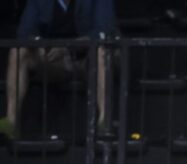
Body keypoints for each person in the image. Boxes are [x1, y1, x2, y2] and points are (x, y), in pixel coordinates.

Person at [0, 0, 116, 139]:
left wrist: (66, 48)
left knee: (102, 51)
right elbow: (24, 32)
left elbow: (103, 31)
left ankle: (104, 120)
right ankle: (12, 121)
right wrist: (40, 45)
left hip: (87, 61)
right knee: (18, 52)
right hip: (56, 63)